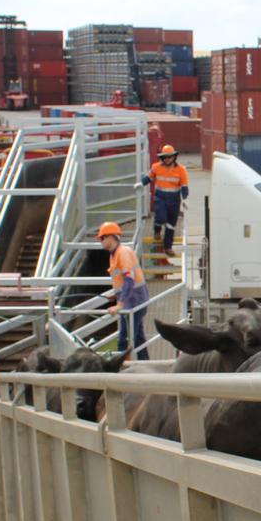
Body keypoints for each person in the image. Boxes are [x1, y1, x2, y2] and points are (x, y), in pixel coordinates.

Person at [98, 221, 149, 360]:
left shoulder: (123, 252)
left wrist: (120, 304)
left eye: (102, 237)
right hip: (133, 301)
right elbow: (122, 281)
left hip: (134, 302)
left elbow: (129, 280)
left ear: (111, 237)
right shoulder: (113, 255)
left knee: (124, 339)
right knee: (138, 337)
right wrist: (115, 295)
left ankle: (121, 369)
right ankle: (145, 363)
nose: (101, 241)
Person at [140, 144, 189, 257]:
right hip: (160, 197)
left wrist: (185, 199)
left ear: (174, 157)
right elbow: (149, 178)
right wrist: (141, 183)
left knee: (171, 225)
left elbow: (184, 186)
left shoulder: (181, 170)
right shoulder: (156, 167)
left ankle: (168, 247)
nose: (167, 159)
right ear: (162, 157)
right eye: (165, 157)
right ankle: (157, 230)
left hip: (174, 200)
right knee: (161, 218)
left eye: (170, 157)